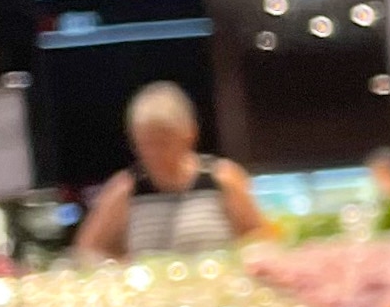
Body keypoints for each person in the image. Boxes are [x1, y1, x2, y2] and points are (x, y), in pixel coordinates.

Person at [75, 82, 267, 260]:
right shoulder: (126, 189)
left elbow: (261, 239)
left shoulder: (221, 179)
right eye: (146, 144)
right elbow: (87, 250)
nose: (154, 153)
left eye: (163, 142)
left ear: (189, 134)